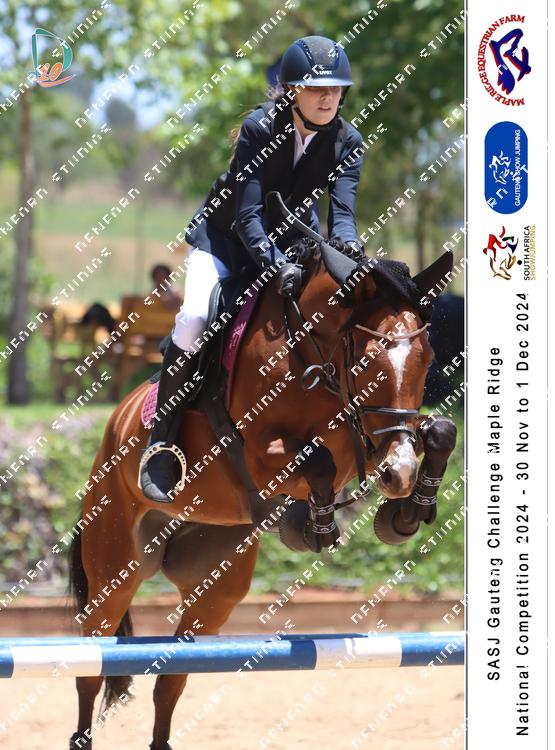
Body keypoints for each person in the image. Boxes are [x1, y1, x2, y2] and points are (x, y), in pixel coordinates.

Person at [139, 34, 366, 503]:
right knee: (195, 319)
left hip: (291, 244)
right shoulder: (260, 128)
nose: (328, 97)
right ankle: (161, 442)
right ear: (293, 91)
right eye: (317, 88)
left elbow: (342, 218)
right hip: (225, 242)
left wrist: (349, 251)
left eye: (335, 89)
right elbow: (247, 217)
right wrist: (274, 264)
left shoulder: (348, 141)